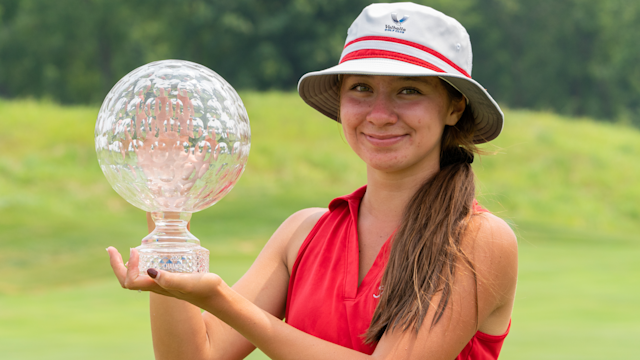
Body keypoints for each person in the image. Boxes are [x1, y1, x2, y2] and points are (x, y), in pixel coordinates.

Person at [107, 3, 517, 360]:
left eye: (408, 91)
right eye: (361, 88)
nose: (379, 113)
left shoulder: (476, 239)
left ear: (454, 107)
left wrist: (219, 299)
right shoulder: (302, 234)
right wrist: (167, 206)